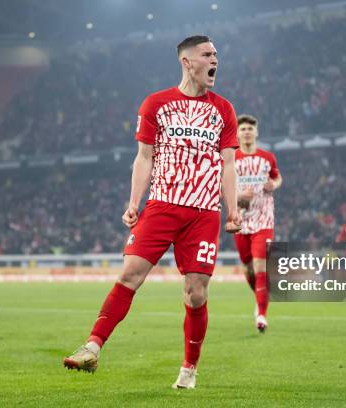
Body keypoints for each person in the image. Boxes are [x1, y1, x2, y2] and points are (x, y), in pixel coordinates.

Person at [63, 35, 241, 390]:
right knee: (130, 273)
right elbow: (144, 157)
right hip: (161, 205)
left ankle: (189, 369)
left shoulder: (223, 109)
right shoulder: (157, 104)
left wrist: (232, 210)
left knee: (196, 292)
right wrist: (134, 202)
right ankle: (92, 346)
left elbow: (228, 164)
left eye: (217, 55)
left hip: (204, 212)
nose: (215, 60)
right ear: (187, 62)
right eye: (207, 55)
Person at [233, 114, 282, 333]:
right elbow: (221, 187)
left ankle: (261, 315)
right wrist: (238, 195)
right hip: (240, 220)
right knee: (247, 268)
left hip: (264, 219)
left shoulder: (268, 157)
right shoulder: (230, 158)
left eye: (250, 129)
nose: (246, 132)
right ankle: (260, 298)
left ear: (256, 132)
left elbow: (277, 177)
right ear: (237, 133)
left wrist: (274, 185)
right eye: (242, 129)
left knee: (260, 266)